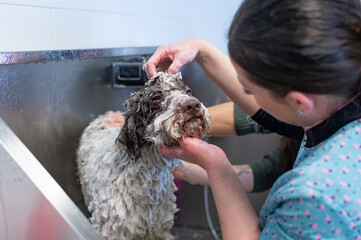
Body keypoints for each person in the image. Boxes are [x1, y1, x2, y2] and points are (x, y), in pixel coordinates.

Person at [142, 0, 361, 239]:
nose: (244, 95)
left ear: (299, 102)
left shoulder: (317, 196)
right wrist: (200, 50)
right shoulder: (338, 100)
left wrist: (217, 164)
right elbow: (273, 115)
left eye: (249, 90)